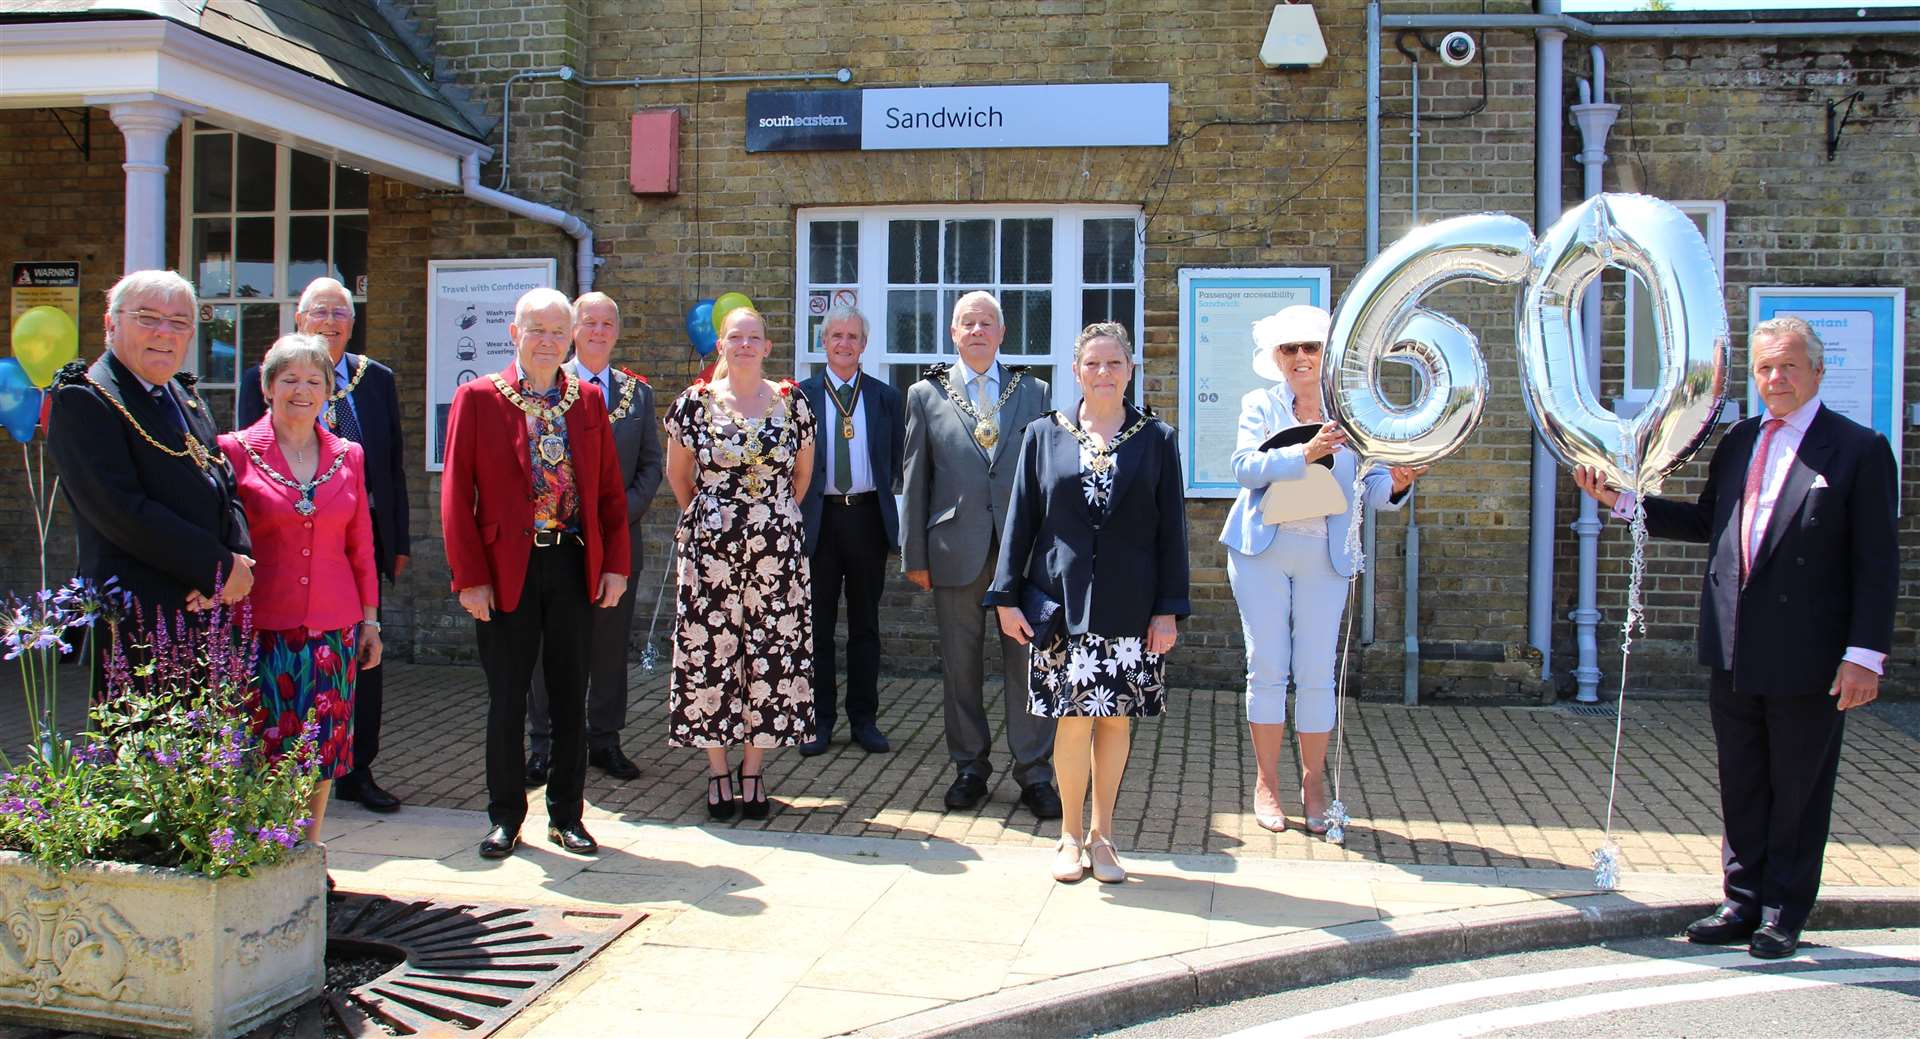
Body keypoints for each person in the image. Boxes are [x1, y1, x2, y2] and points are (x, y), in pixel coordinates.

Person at [1573, 316, 1895, 960]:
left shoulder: (1858, 448)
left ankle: (1783, 910)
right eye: (1766, 368)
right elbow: (1705, 521)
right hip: (1734, 643)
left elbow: (1877, 562)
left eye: (1789, 366)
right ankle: (1742, 900)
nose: (1776, 378)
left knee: (1798, 784)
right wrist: (1625, 499)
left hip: (1811, 652)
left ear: (1817, 372)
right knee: (1742, 777)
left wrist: (1864, 656)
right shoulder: (1741, 440)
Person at [986, 323, 1188, 883]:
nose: (1104, 373)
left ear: (1130, 370)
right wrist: (1005, 597)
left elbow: (1172, 530)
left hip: (1131, 605)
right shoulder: (1042, 435)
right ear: (1075, 372)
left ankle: (1106, 838)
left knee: (1115, 722)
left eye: (1114, 364)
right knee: (1072, 722)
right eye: (1092, 364)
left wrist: (1168, 608)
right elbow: (1021, 521)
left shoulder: (1157, 439)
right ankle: (1069, 837)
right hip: (1061, 606)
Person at [441, 288, 630, 859]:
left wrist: (616, 565)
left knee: (572, 694)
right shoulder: (476, 398)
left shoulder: (587, 402)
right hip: (504, 571)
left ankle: (567, 816)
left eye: (557, 331)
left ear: (570, 336)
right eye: (537, 330)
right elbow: (455, 496)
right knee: (508, 698)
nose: (547, 341)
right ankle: (505, 816)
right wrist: (469, 578)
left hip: (572, 562)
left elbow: (608, 494)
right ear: (515, 334)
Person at [1219, 305, 1423, 834]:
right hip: (1261, 548)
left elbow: (1372, 492)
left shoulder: (1357, 412)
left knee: (1316, 671)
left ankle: (1313, 783)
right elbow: (1243, 467)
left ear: (1327, 354)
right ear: (1276, 358)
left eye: (1311, 347)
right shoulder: (1260, 405)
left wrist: (1399, 481)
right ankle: (1267, 784)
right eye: (1290, 349)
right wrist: (1304, 453)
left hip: (1325, 556)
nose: (1301, 357)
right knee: (1266, 666)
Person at [241, 277, 411, 815]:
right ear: (299, 317)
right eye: (321, 311)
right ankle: (282, 797)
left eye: (342, 312)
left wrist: (398, 540)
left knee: (362, 664)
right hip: (283, 553)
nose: (332, 321)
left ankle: (359, 768)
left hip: (358, 545)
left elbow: (392, 465)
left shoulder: (375, 378)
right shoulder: (261, 381)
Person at [903, 291, 1060, 819]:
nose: (977, 331)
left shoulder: (1034, 391)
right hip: (954, 550)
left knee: (1028, 665)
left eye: (986, 323)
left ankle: (1036, 773)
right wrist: (914, 554)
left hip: (1022, 554)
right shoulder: (926, 394)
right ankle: (969, 766)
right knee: (960, 667)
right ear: (953, 333)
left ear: (1001, 333)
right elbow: (916, 478)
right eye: (967, 323)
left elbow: (1047, 478)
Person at [219, 334, 380, 843]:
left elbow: (362, 548)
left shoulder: (349, 455)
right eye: (289, 379)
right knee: (259, 745)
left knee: (321, 748)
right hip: (261, 628)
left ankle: (307, 849)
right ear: (268, 387)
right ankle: (258, 845)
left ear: (329, 392)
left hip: (334, 629)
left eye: (315, 381)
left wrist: (371, 622)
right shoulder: (234, 451)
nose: (302, 391)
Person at [664, 306, 816, 820]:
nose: (745, 345)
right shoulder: (694, 404)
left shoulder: (793, 404)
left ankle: (753, 770)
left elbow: (801, 477)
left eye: (754, 337)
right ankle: (717, 772)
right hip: (711, 553)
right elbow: (679, 477)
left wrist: (766, 517)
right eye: (736, 337)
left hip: (777, 549)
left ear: (768, 347)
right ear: (721, 346)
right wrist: (716, 519)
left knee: (770, 653)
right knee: (711, 654)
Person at [49, 269, 253, 647]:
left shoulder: (183, 394)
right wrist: (218, 569)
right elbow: (122, 511)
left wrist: (239, 559)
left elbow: (224, 484)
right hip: (139, 618)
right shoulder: (86, 398)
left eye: (179, 322)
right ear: (111, 323)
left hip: (209, 607)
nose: (164, 332)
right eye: (147, 318)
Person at [526, 292, 664, 784]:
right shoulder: (545, 388)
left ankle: (604, 739)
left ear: (617, 332)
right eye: (590, 323)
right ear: (573, 330)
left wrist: (615, 516)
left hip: (617, 543)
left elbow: (651, 464)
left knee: (609, 648)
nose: (599, 332)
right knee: (549, 648)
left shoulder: (637, 393)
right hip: (559, 543)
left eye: (608, 323)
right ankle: (542, 744)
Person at [796, 305, 905, 756]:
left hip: (865, 518)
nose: (844, 343)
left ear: (865, 344)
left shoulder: (885, 398)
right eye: (836, 335)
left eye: (853, 336)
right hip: (817, 520)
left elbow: (899, 460)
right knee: (816, 627)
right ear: (824, 342)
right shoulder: (798, 397)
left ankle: (864, 721)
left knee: (865, 626)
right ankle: (818, 722)